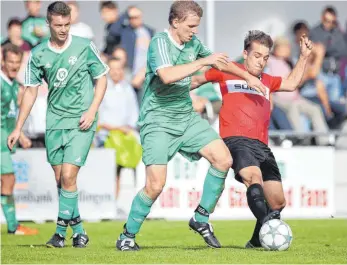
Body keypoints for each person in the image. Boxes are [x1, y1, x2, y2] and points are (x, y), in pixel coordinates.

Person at [115, 1, 267, 251]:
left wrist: (248, 77)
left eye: (196, 26)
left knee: (223, 159)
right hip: (157, 121)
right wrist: (202, 62)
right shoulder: (159, 43)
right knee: (155, 185)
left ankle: (201, 217)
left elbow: (219, 62)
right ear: (175, 22)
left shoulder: (193, 43)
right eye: (191, 26)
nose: (195, 31)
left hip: (185, 117)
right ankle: (127, 236)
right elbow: (167, 75)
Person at [191, 30, 313, 248]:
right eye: (257, 56)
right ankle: (270, 229)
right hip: (236, 140)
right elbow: (196, 80)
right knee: (253, 178)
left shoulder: (267, 80)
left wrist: (303, 56)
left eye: (265, 58)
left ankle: (257, 241)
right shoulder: (229, 71)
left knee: (277, 202)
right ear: (245, 53)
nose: (261, 62)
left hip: (262, 146)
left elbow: (292, 83)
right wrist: (168, 85)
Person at [7, 1, 109, 248]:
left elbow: (102, 78)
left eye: (67, 24)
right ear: (49, 24)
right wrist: (18, 128)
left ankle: (60, 234)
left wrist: (92, 109)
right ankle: (80, 231)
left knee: (68, 175)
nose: (63, 29)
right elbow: (31, 91)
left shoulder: (84, 46)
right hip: (54, 122)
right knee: (60, 180)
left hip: (81, 121)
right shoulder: (39, 53)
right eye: (58, 25)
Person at [1, 43, 37, 235]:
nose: (14, 66)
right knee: (8, 178)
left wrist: (20, 133)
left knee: (8, 179)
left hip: (6, 138)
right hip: (0, 140)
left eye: (17, 62)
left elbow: (10, 113)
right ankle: (13, 226)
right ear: (2, 61)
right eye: (10, 62)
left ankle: (13, 226)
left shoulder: (15, 84)